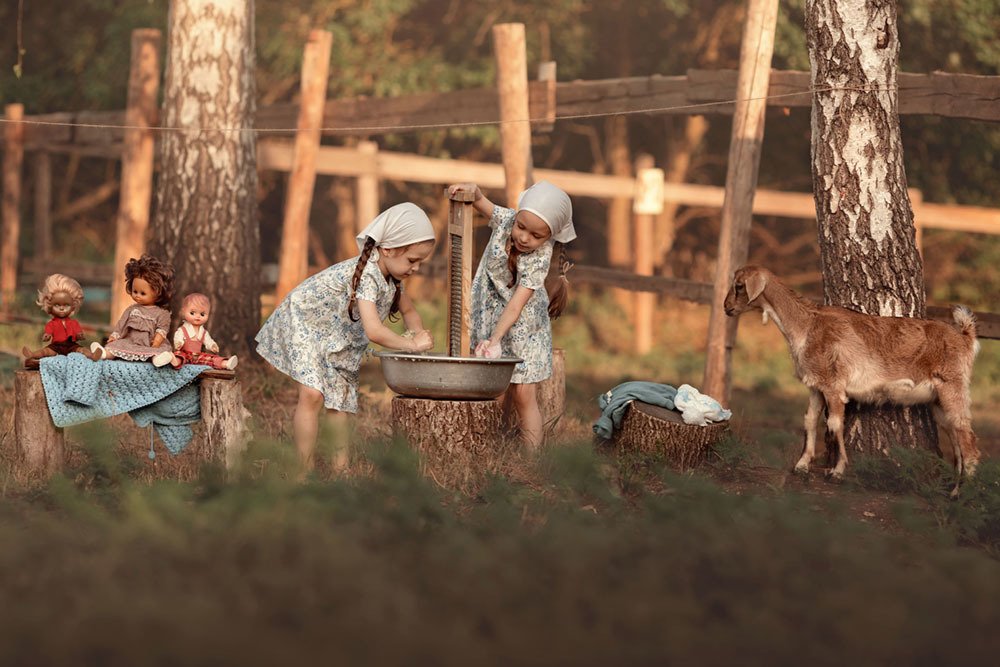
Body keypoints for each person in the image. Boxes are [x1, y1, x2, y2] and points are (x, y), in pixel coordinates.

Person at [256, 202, 436, 473]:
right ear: (387, 249)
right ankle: (301, 472)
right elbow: (375, 331)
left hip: (337, 336)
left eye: (420, 262)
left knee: (340, 402)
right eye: (413, 260)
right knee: (312, 394)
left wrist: (418, 336)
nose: (417, 268)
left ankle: (341, 471)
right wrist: (409, 344)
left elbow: (409, 311)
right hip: (306, 320)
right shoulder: (366, 276)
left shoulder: (394, 280)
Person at [447, 180, 575, 449]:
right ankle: (493, 445)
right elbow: (483, 203)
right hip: (493, 318)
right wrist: (472, 192)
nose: (524, 237)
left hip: (522, 329)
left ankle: (532, 458)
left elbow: (517, 306)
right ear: (516, 216)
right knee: (493, 387)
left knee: (522, 392)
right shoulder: (506, 220)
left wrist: (495, 339)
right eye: (521, 226)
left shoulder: (540, 257)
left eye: (536, 235)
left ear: (549, 237)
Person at [91, 254, 178, 367]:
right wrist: (115, 335)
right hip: (130, 341)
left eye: (143, 293)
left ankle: (161, 358)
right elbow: (121, 324)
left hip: (149, 344)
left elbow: (162, 329)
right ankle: (103, 353)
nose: (137, 296)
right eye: (134, 291)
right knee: (115, 347)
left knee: (155, 353)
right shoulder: (132, 309)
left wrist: (157, 341)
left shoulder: (162, 313)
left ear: (159, 293)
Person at [22, 273, 100, 362]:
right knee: (46, 351)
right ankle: (32, 354)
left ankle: (93, 356)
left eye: (66, 305)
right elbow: (49, 332)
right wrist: (47, 336)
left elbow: (78, 332)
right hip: (56, 346)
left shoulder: (73, 322)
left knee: (82, 350)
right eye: (57, 305)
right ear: (50, 305)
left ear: (73, 306)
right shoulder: (52, 323)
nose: (62, 308)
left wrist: (80, 335)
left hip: (70, 345)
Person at [172, 293, 238, 370]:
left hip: (198, 356)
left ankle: (226, 364)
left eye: (202, 314)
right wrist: (179, 343)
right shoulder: (183, 329)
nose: (197, 316)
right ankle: (172, 360)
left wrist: (212, 345)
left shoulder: (203, 332)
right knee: (179, 356)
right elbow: (178, 337)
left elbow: (208, 340)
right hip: (185, 354)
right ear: (183, 312)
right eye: (192, 313)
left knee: (210, 358)